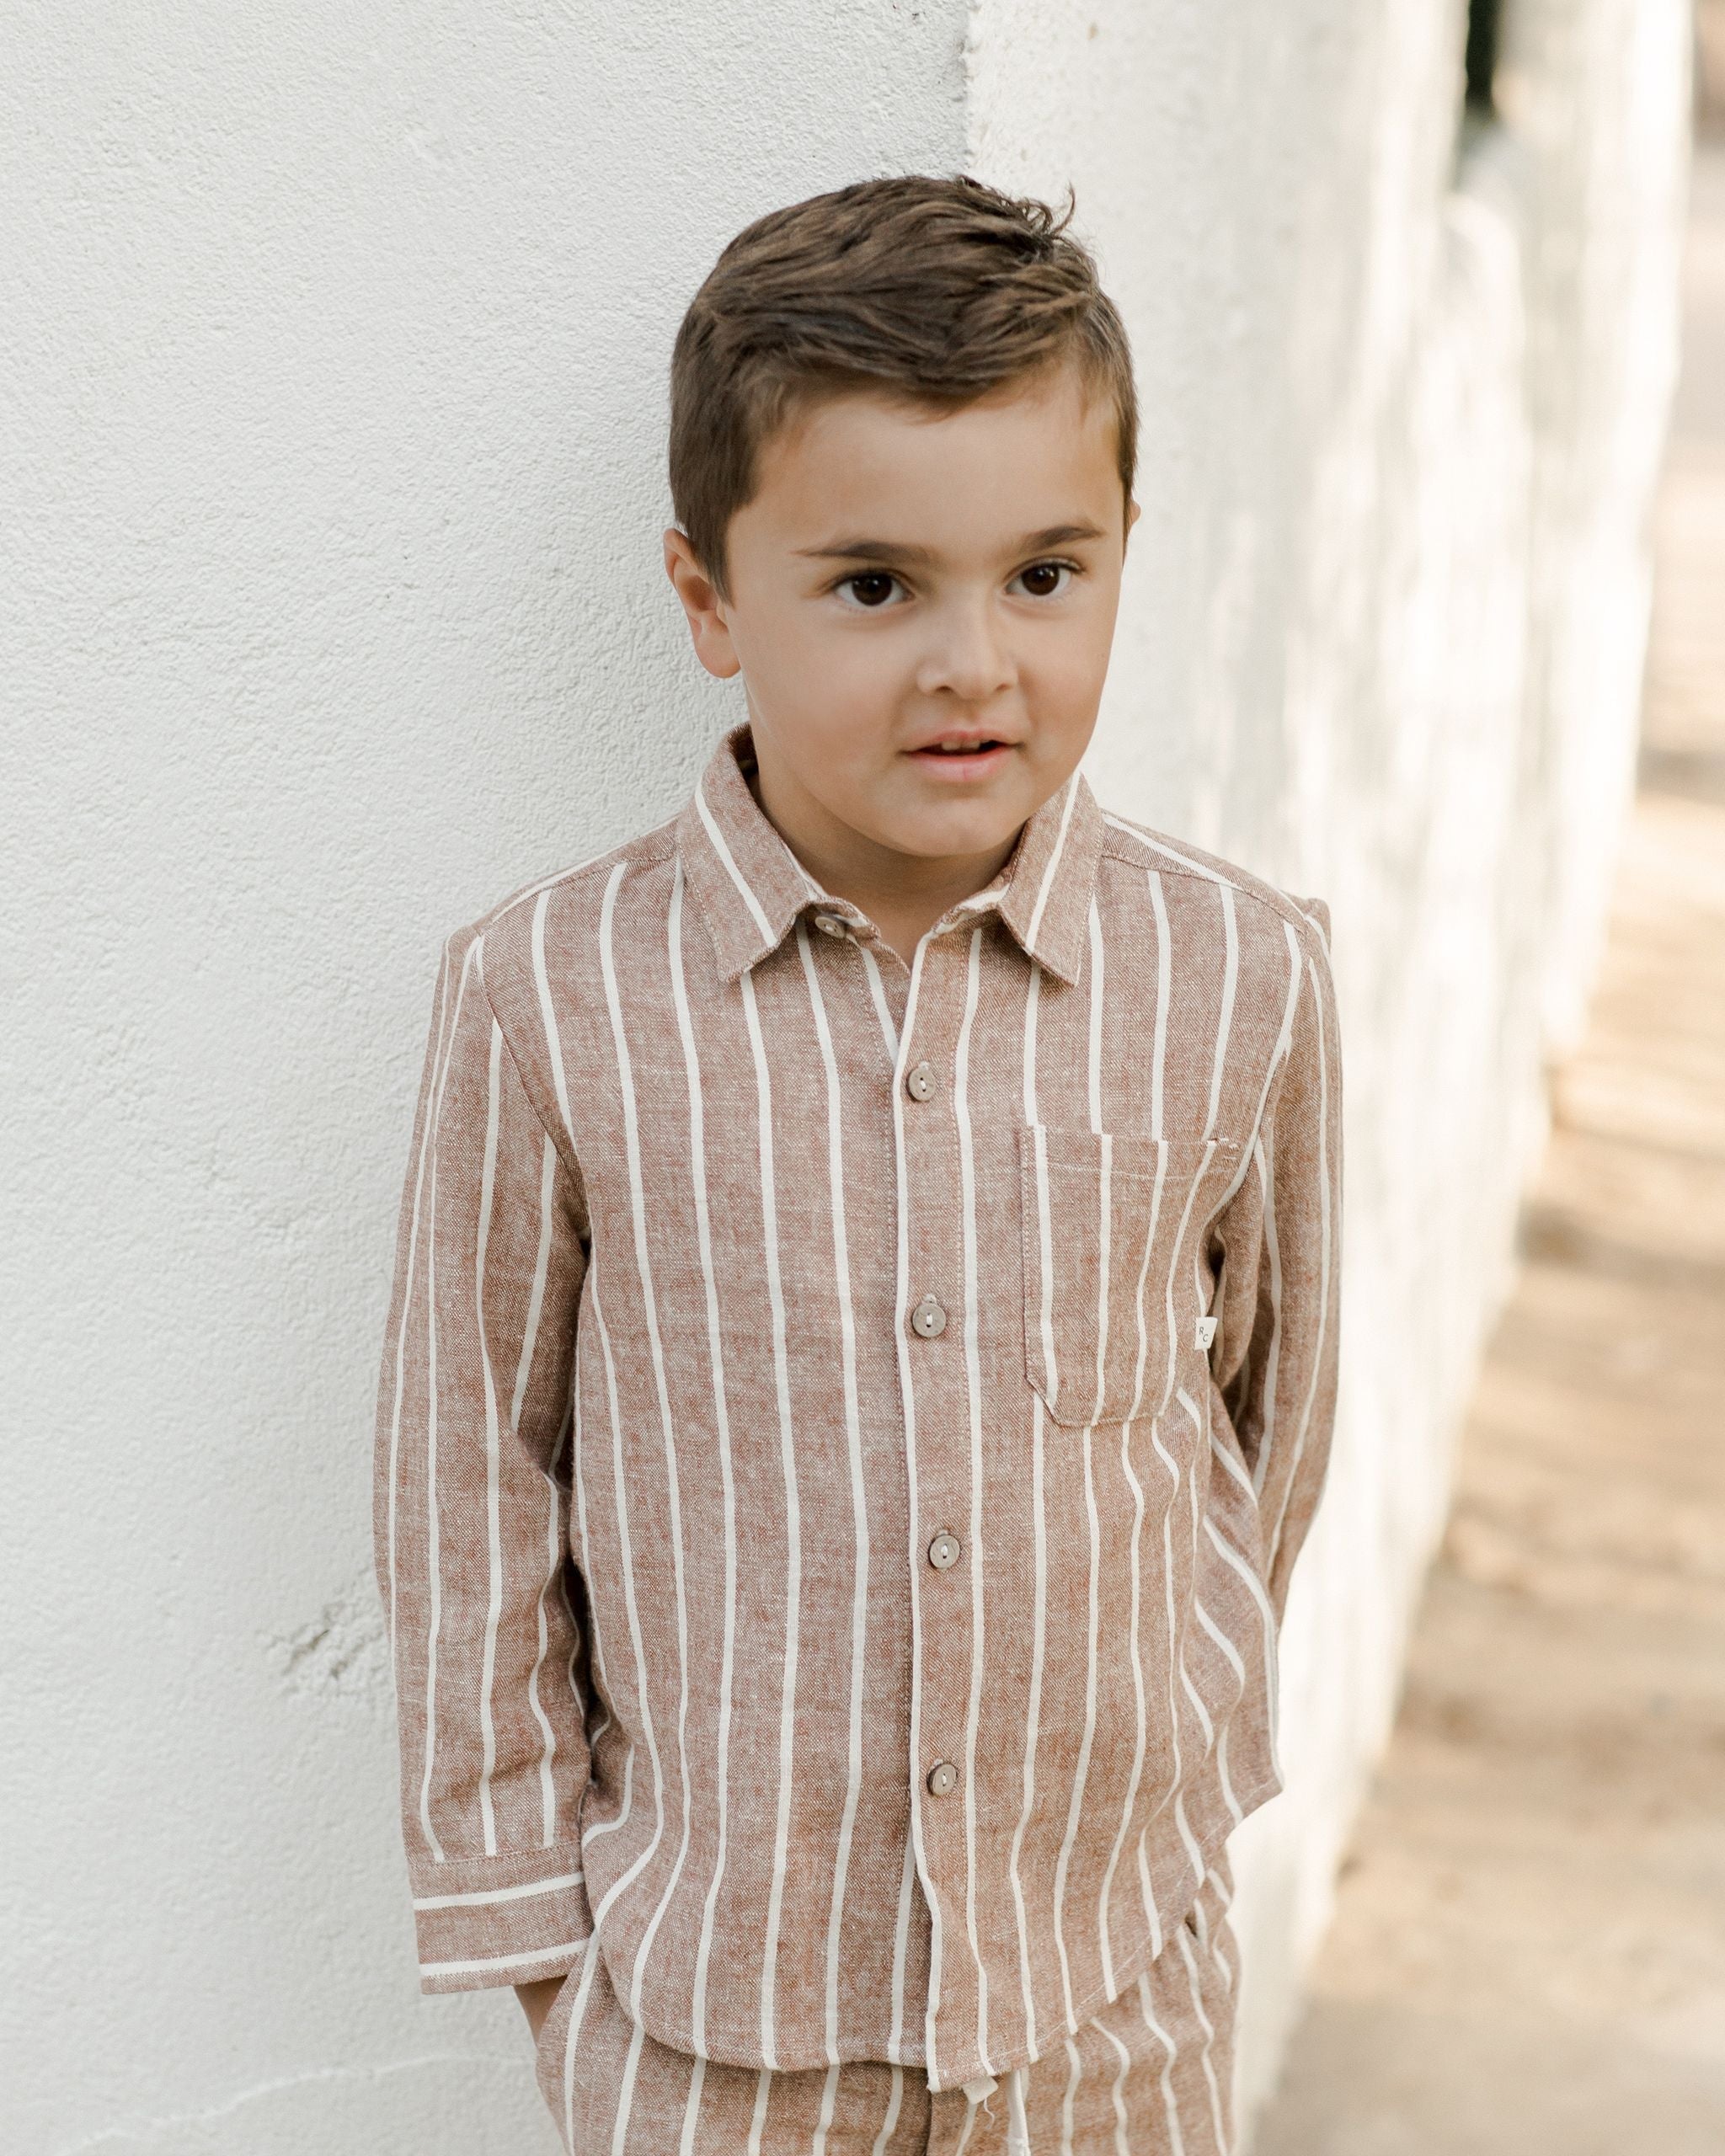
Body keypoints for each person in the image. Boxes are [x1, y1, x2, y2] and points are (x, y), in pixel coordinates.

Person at [371, 172, 1343, 2156]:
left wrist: (1174, 1769)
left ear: (1125, 550)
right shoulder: (549, 994)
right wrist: (551, 1953)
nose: (971, 661)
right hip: (711, 2026)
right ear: (709, 597)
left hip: (1107, 2005)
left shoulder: (1240, 974)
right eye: (877, 585)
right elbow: (467, 1475)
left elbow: (1270, 1413)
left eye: (1044, 574)